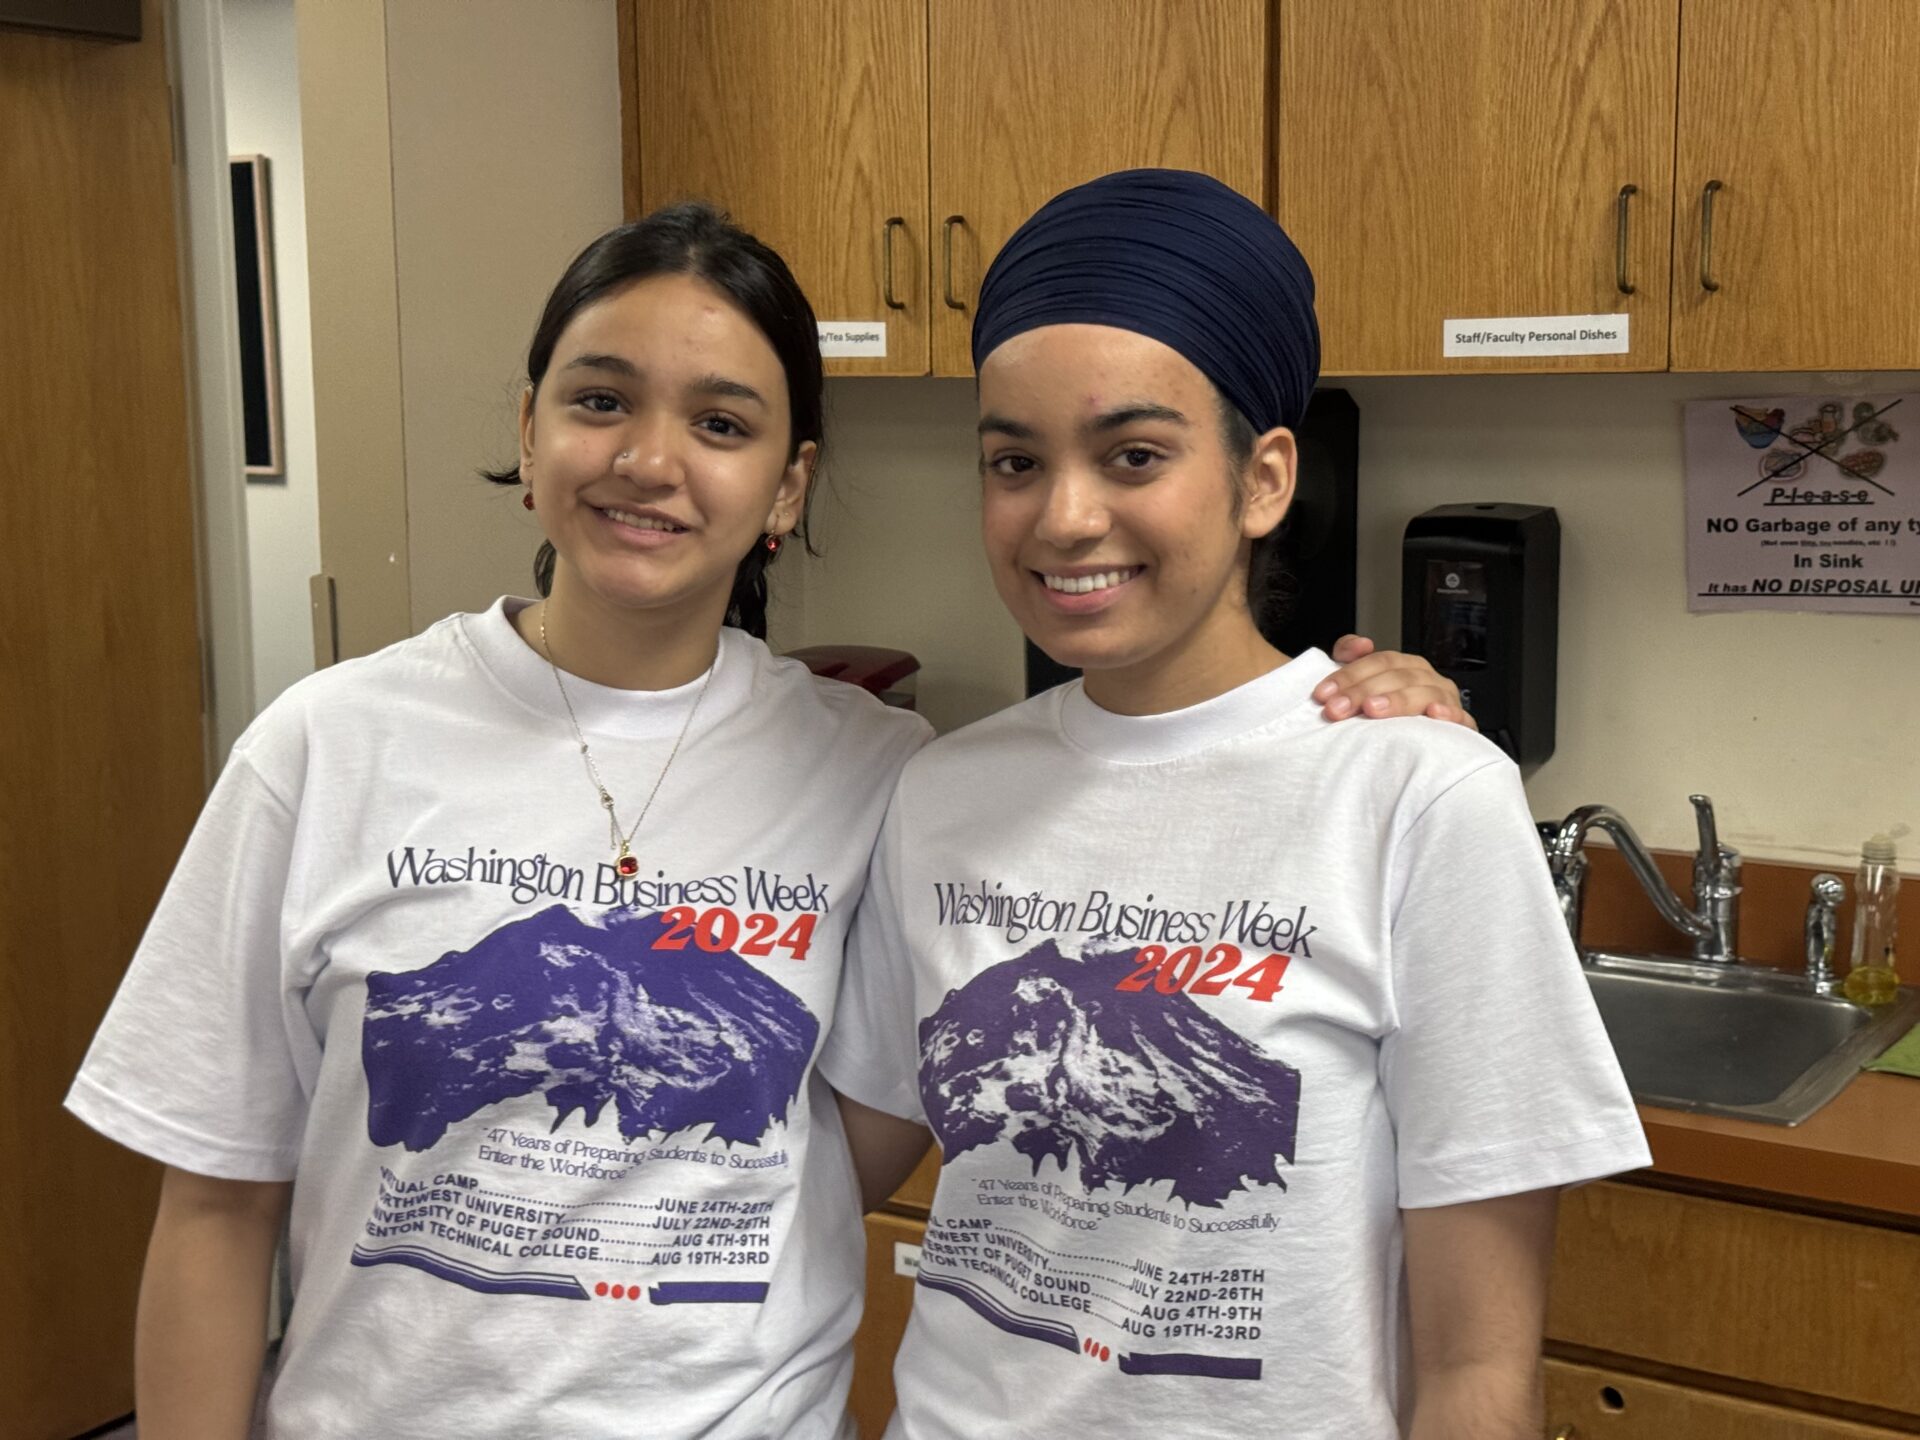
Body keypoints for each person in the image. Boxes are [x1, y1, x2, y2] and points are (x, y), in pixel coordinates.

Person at [66, 199, 1467, 1440]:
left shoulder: (888, 777)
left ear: (787, 485)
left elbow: (866, 1119)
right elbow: (216, 1206)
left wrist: (1367, 712)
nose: (649, 462)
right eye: (599, 400)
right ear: (530, 426)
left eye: (723, 424)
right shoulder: (325, 749)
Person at [823, 170, 1650, 1440]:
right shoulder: (944, 792)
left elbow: (1479, 1368)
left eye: (1134, 455)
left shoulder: (1416, 795)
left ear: (1264, 479)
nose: (1064, 516)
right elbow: (825, 1167)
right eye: (1013, 461)